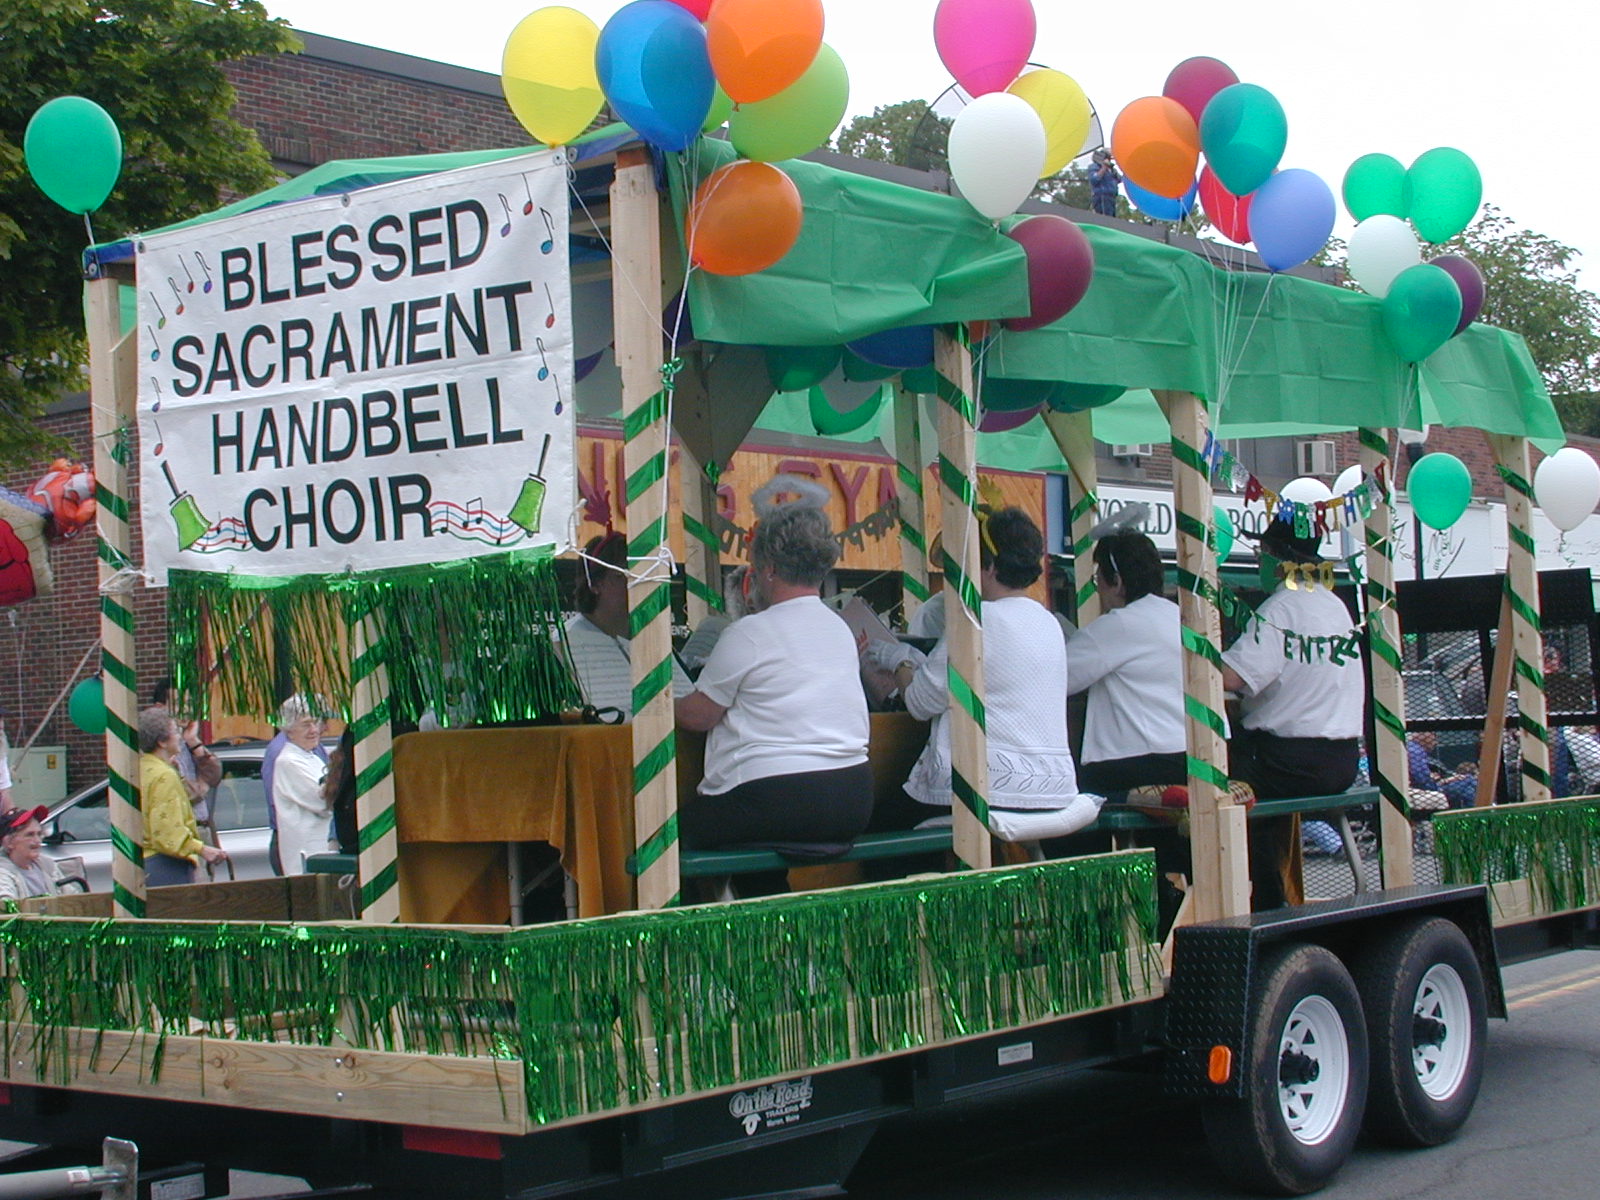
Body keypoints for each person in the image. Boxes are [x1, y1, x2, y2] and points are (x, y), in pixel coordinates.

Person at [675, 501, 873, 888]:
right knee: (756, 849)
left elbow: (698, 717)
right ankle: (774, 932)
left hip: (777, 798)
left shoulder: (749, 632)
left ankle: (699, 942)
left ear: (768, 569)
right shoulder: (839, 630)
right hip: (853, 798)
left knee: (668, 833)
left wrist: (657, 703)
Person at [876, 508, 1094, 839]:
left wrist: (899, 660)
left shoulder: (977, 620)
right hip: (1053, 788)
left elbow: (919, 703)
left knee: (880, 831)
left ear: (990, 566)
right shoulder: (1048, 622)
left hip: (986, 790)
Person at [1222, 518, 1363, 910]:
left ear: (1276, 556)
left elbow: (1232, 678)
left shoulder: (1282, 606)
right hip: (1343, 761)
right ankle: (1271, 898)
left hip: (1289, 762)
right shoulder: (1336, 606)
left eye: (1262, 554)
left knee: (1212, 779)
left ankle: (1263, 906)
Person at [1065, 531, 1187, 796]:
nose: (1098, 588)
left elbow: (1058, 678)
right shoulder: (1182, 617)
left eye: (1099, 578)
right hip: (1192, 756)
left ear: (1117, 582)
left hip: (1140, 760)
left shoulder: (1117, 624)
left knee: (1070, 801)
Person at [564, 530, 692, 719]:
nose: (636, 583)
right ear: (595, 584)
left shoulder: (650, 638)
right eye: (624, 575)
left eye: (643, 575)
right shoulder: (565, 641)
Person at [139, 706, 228, 886]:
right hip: (166, 866)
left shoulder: (142, 767)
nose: (179, 736)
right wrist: (201, 849)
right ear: (162, 742)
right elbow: (167, 833)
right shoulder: (164, 775)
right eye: (175, 731)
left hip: (144, 862)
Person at [271, 695, 331, 875]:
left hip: (320, 850)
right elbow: (323, 802)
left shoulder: (312, 757)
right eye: (306, 725)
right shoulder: (289, 762)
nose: (314, 730)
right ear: (289, 731)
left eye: (315, 723)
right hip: (306, 855)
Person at [151, 678, 223, 820]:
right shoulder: (157, 748)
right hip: (180, 829)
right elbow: (181, 794)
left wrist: (193, 741)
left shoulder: (186, 741)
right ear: (160, 708)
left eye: (189, 704)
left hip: (203, 824)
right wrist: (201, 788)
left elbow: (215, 775)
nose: (186, 710)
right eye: (179, 704)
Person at [0, 805, 75, 900]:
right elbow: (7, 907)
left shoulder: (47, 865)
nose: (37, 840)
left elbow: (72, 898)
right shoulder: (3, 872)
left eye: (39, 834)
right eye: (29, 834)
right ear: (9, 842)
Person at [1090, 149, 1121, 218]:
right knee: (1104, 218)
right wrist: (1104, 167)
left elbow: (1119, 179)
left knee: (1111, 218)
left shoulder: (1112, 170)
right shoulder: (1095, 166)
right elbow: (1094, 180)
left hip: (1111, 197)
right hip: (1102, 196)